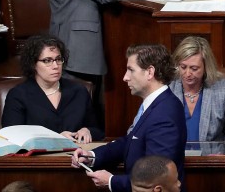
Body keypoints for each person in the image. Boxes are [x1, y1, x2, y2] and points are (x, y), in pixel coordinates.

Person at [72, 44, 186, 192]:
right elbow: (130, 141)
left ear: (150, 72)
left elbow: (157, 176)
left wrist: (112, 181)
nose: (125, 77)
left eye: (131, 70)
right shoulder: (155, 105)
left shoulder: (164, 113)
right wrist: (92, 155)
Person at [0, 34, 103, 142]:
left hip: (76, 156)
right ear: (33, 64)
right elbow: (11, 137)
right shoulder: (18, 95)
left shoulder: (79, 91)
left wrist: (88, 131)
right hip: (38, 158)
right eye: (47, 61)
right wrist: (55, 139)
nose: (55, 66)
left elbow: (98, 130)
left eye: (58, 59)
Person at [169, 36, 225, 143]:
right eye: (183, 67)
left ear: (206, 67)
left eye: (194, 68)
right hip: (173, 159)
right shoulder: (167, 89)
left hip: (210, 158)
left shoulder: (224, 91)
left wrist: (224, 154)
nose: (187, 74)